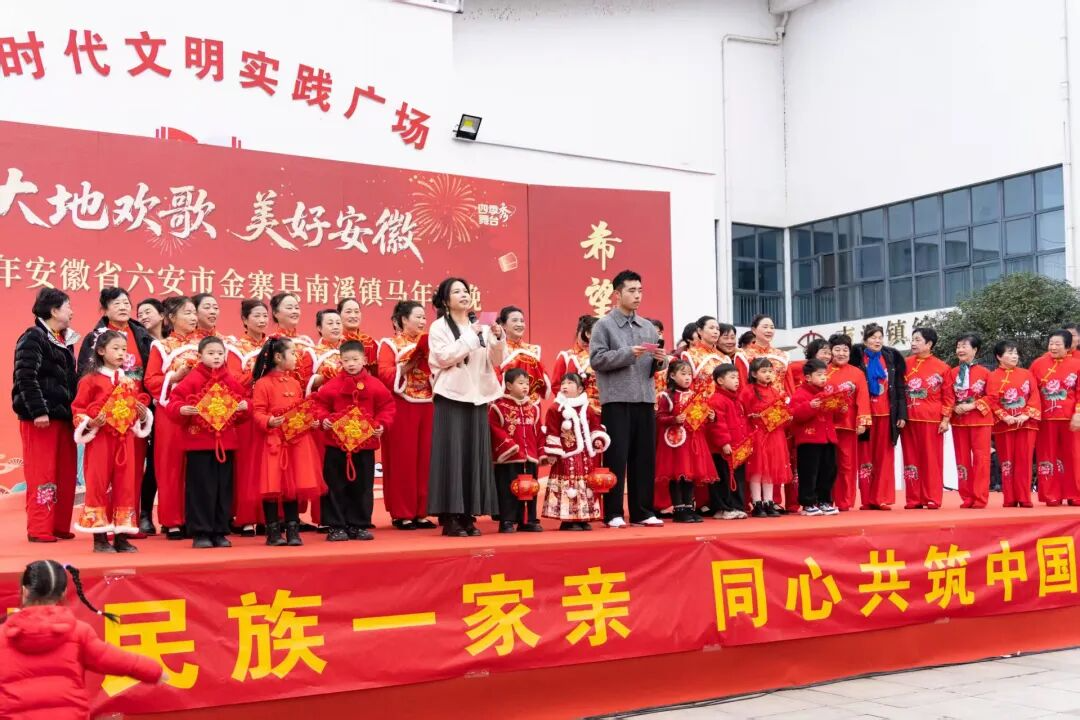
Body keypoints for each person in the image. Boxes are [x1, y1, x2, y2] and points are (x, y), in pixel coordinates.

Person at [0, 560, 164, 719]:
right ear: (64, 592)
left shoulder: (3, 635)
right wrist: (152, 670)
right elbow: (111, 658)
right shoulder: (78, 632)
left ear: (24, 591)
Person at [427, 277, 505, 537]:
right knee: (452, 455)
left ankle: (469, 514)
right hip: (451, 396)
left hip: (477, 396)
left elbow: (495, 360)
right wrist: (471, 336)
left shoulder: (480, 326)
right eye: (456, 291)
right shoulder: (439, 327)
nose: (463, 295)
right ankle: (451, 516)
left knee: (474, 455)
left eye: (465, 291)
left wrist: (497, 338)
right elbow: (443, 357)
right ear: (445, 300)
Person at [589, 269, 668, 528]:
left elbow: (654, 368)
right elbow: (597, 360)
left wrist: (661, 360)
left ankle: (642, 511)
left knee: (644, 458)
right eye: (632, 291)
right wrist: (627, 354)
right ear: (617, 294)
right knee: (616, 457)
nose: (637, 296)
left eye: (640, 291)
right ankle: (613, 512)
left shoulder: (648, 327)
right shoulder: (603, 325)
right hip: (616, 400)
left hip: (644, 399)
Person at [71, 331, 153, 553]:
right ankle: (99, 539)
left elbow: (132, 410)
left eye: (123, 349)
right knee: (98, 485)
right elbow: (78, 409)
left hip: (125, 440)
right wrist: (90, 422)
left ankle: (121, 537)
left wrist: (142, 415)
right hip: (100, 441)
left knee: (125, 486)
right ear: (101, 351)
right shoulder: (90, 380)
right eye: (115, 348)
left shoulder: (128, 382)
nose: (121, 353)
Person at [168, 336, 249, 549]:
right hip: (199, 445)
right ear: (200, 355)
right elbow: (174, 402)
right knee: (201, 489)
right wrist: (181, 409)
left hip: (226, 444)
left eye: (220, 354)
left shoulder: (229, 379)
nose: (216, 357)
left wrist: (244, 407)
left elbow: (245, 402)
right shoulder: (193, 379)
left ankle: (220, 531)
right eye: (211, 353)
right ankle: (201, 532)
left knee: (223, 488)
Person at [13, 288, 79, 543]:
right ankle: (40, 528)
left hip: (64, 417)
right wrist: (38, 410)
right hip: (41, 419)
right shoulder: (33, 337)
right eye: (68, 306)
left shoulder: (64, 340)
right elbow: (25, 376)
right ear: (53, 311)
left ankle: (58, 525)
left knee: (65, 473)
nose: (72, 312)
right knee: (42, 473)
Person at [314, 340, 395, 541]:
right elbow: (319, 405)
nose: (351, 364)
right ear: (340, 361)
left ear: (364, 360)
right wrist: (324, 420)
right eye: (346, 360)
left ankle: (359, 525)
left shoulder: (375, 385)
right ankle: (336, 526)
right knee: (335, 485)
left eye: (355, 359)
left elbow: (387, 406)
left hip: (364, 446)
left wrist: (381, 424)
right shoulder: (332, 385)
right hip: (336, 445)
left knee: (363, 487)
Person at [251, 337, 325, 547]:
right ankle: (273, 532)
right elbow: (257, 412)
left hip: (295, 441)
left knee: (293, 486)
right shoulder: (263, 384)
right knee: (272, 485)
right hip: (273, 442)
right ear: (278, 357)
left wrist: (309, 421)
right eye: (292, 353)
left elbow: (300, 410)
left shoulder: (294, 382)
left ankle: (293, 530)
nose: (296, 357)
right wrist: (269, 421)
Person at [142, 296, 202, 540]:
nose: (193, 317)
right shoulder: (161, 346)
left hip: (199, 413)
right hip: (171, 413)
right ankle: (173, 521)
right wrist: (175, 377)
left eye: (194, 312)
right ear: (171, 318)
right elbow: (151, 381)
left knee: (196, 467)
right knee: (170, 465)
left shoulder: (204, 344)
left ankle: (194, 518)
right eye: (187, 312)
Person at [377, 300, 436, 531]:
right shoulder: (390, 344)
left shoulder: (432, 343)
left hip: (428, 405)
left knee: (425, 459)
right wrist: (407, 366)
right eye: (417, 317)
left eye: (424, 317)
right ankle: (402, 513)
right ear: (403, 320)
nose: (422, 321)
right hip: (401, 406)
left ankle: (421, 511)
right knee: (403, 460)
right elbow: (384, 373)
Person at [735, 314, 794, 513]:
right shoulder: (743, 355)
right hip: (756, 426)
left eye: (772, 327)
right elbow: (741, 391)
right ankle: (756, 502)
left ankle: (771, 501)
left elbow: (788, 388)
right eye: (765, 326)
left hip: (775, 424)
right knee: (757, 465)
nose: (769, 330)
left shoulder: (782, 355)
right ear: (754, 330)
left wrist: (787, 410)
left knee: (773, 464)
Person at [541, 373, 611, 530]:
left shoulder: (587, 408)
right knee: (569, 484)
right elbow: (552, 431)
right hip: (566, 456)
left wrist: (597, 438)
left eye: (570, 383)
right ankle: (568, 520)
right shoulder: (555, 408)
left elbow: (595, 427)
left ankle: (584, 518)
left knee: (585, 485)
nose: (565, 386)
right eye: (563, 383)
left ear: (580, 389)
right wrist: (553, 452)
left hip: (585, 456)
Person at [655, 359, 717, 523]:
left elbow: (700, 418)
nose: (688, 377)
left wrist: (711, 417)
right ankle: (679, 509)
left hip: (693, 441)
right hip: (675, 443)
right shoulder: (666, 396)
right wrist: (674, 419)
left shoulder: (697, 396)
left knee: (690, 475)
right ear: (672, 376)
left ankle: (689, 507)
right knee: (677, 475)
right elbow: (659, 417)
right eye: (683, 374)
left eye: (689, 374)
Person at [855, 323, 907, 510]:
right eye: (873, 337)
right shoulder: (857, 358)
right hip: (865, 416)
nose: (877, 341)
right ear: (865, 340)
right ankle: (867, 500)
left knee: (884, 457)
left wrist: (901, 413)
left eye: (880, 337)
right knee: (865, 457)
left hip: (886, 415)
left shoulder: (890, 357)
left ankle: (881, 498)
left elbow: (899, 387)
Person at [230, 299, 270, 535]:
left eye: (265, 315)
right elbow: (233, 381)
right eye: (256, 315)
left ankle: (269, 517)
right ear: (245, 320)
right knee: (247, 465)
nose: (262, 320)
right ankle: (245, 517)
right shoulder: (236, 348)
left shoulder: (273, 344)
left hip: (270, 411)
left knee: (269, 464)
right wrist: (257, 373)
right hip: (246, 412)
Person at [489, 367, 546, 533]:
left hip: (530, 457)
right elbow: (494, 429)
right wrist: (510, 446)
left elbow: (538, 431)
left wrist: (542, 453)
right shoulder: (499, 407)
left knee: (530, 489)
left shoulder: (533, 408)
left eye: (527, 383)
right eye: (520, 383)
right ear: (508, 385)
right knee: (508, 490)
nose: (525, 387)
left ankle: (527, 520)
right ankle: (507, 520)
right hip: (509, 458)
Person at [987, 339, 1041, 508]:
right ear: (999, 356)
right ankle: (1009, 497)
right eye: (1010, 353)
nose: (1014, 356)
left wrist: (1026, 414)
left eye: (1016, 353)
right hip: (1004, 425)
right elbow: (991, 400)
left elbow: (1034, 396)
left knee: (1024, 460)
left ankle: (1024, 497)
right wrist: (1004, 416)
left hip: (1026, 424)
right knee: (1006, 461)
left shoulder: (1027, 374)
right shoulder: (992, 377)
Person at [901, 327, 950, 510]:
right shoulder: (904, 364)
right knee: (910, 458)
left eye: (918, 340)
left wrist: (945, 419)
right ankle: (914, 498)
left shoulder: (942, 367)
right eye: (912, 339)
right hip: (908, 419)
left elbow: (948, 396)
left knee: (931, 459)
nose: (913, 343)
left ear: (929, 344)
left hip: (932, 419)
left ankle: (932, 498)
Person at [943, 333, 993, 509]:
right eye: (958, 346)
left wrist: (972, 406)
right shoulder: (952, 373)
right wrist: (953, 409)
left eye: (964, 346)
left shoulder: (986, 373)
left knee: (981, 459)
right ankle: (967, 497)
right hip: (959, 421)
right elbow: (948, 395)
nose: (960, 350)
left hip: (980, 421)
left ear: (975, 350)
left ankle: (980, 497)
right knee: (962, 459)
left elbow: (992, 396)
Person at [1031, 330, 1080, 506]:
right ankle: (1051, 494)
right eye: (1051, 343)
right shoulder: (1038, 364)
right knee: (1047, 455)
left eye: (1058, 344)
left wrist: (1078, 413)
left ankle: (1075, 494)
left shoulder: (1077, 364)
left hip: (1070, 418)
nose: (1053, 347)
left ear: (1067, 346)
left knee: (1073, 455)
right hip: (1045, 419)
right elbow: (1031, 391)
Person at [740, 357, 793, 517]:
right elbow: (742, 412)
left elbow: (781, 411)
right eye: (764, 371)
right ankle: (757, 503)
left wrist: (786, 416)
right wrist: (752, 417)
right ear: (754, 374)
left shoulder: (775, 391)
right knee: (757, 469)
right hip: (757, 434)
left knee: (770, 468)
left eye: (770, 371)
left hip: (774, 435)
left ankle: (769, 502)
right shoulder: (748, 391)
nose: (768, 374)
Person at [826, 334, 870, 511]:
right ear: (830, 351)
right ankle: (825, 500)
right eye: (837, 349)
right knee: (827, 464)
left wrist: (862, 422)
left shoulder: (857, 373)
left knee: (847, 464)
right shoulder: (823, 370)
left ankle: (845, 501)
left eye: (845, 350)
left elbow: (863, 399)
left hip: (848, 425)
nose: (841, 353)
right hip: (825, 425)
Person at [790, 359, 840, 516]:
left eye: (825, 374)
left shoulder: (828, 393)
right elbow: (795, 415)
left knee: (828, 471)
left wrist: (841, 407)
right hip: (809, 439)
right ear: (808, 377)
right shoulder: (800, 394)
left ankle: (824, 501)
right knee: (809, 472)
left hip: (828, 438)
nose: (823, 378)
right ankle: (808, 503)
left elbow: (835, 417)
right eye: (819, 375)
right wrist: (810, 406)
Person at [136, 298, 167, 535]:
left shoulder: (175, 340)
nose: (143, 316)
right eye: (140, 313)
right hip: (148, 408)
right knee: (154, 463)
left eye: (148, 311)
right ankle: (145, 513)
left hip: (176, 407)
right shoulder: (138, 340)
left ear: (163, 315)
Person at [706, 364, 749, 520]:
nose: (737, 381)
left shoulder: (735, 399)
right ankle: (723, 508)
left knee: (736, 478)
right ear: (720, 381)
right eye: (732, 377)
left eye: (737, 377)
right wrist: (724, 443)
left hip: (737, 447)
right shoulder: (717, 400)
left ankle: (735, 506)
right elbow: (717, 425)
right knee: (723, 478)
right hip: (722, 448)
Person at [496, 305, 551, 407]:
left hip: (531, 405)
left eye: (522, 321)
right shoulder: (498, 348)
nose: (519, 324)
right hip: (505, 405)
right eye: (514, 320)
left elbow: (542, 381)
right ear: (503, 325)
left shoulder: (533, 350)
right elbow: (493, 378)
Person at [552, 315, 600, 414]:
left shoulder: (603, 356)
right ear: (577, 332)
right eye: (583, 335)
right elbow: (556, 386)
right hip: (576, 410)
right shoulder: (566, 356)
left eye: (592, 335)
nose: (587, 340)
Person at [270, 292, 317, 387]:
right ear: (275, 313)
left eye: (296, 308)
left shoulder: (307, 342)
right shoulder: (272, 342)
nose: (294, 311)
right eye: (289, 308)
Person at [338, 297, 380, 374]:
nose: (353, 316)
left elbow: (375, 373)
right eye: (348, 312)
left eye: (356, 312)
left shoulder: (370, 342)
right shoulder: (334, 341)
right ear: (339, 315)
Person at [307, 308, 345, 395]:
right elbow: (305, 383)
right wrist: (325, 377)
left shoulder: (350, 350)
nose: (335, 327)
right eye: (330, 323)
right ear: (319, 328)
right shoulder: (311, 353)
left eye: (338, 323)